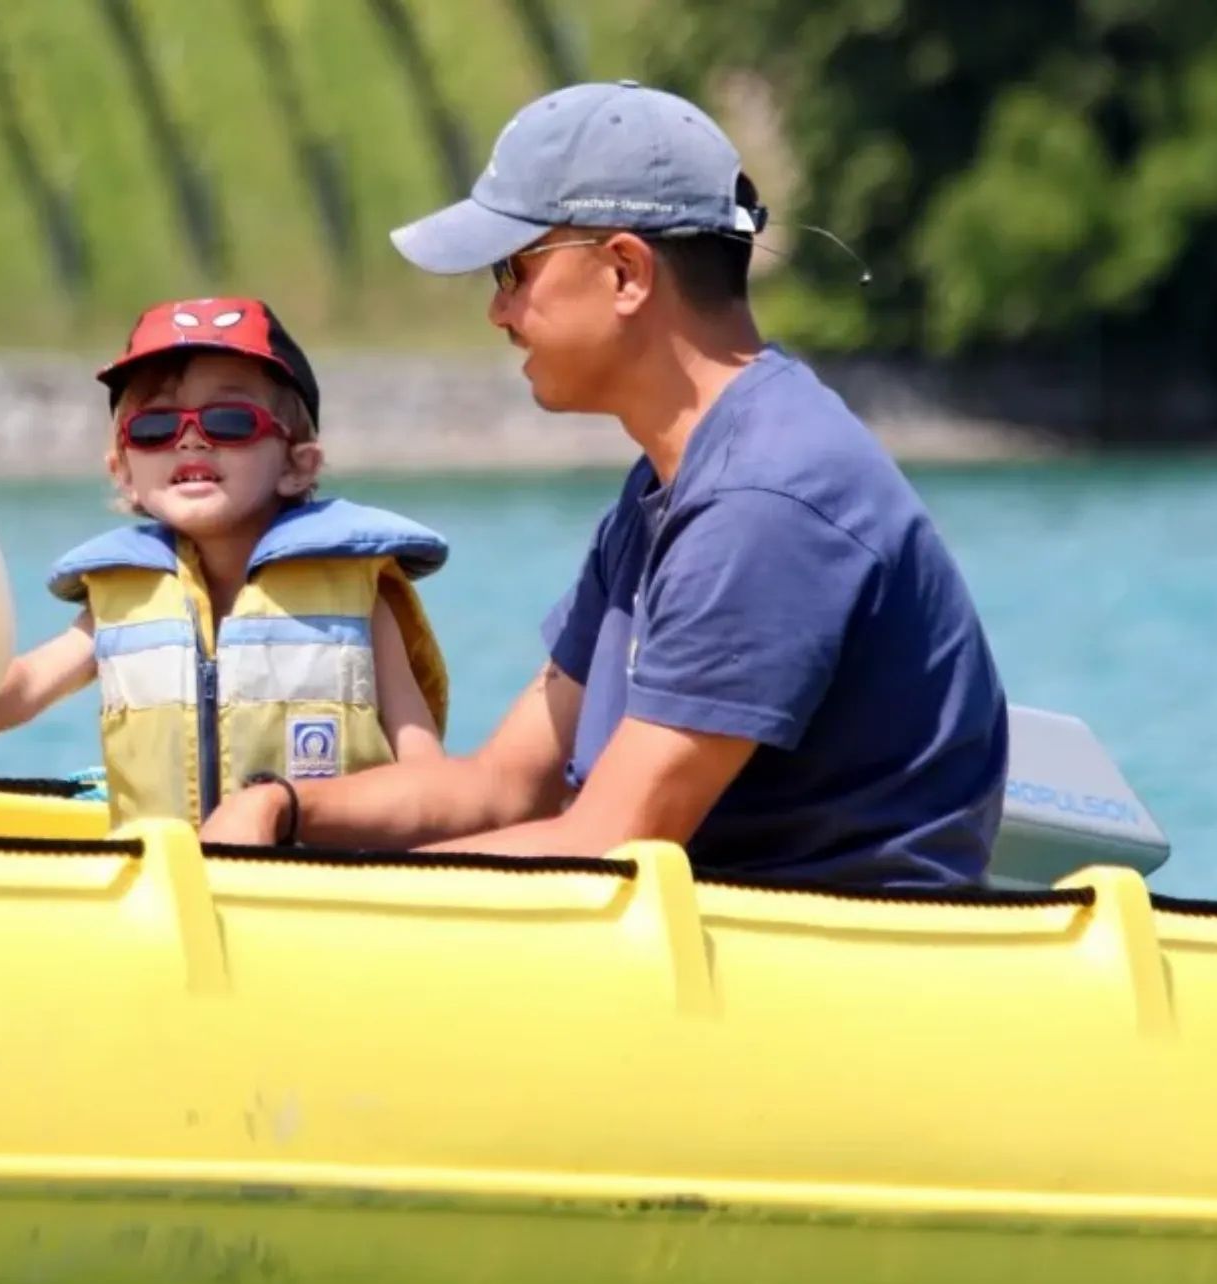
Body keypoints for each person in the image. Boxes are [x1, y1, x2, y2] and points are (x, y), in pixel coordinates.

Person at [200, 83, 1008, 889]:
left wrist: (300, 895)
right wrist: (283, 809)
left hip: (828, 968)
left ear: (625, 272)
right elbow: (503, 786)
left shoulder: (762, 505)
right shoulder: (675, 481)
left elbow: (607, 845)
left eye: (512, 269)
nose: (498, 311)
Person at [0, 296, 450, 826]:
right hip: (167, 894)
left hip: (317, 896)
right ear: (123, 474)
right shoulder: (124, 598)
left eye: (229, 421)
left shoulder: (355, 598)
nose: (190, 440)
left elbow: (426, 776)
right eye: (156, 427)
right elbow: (21, 688)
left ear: (298, 464)